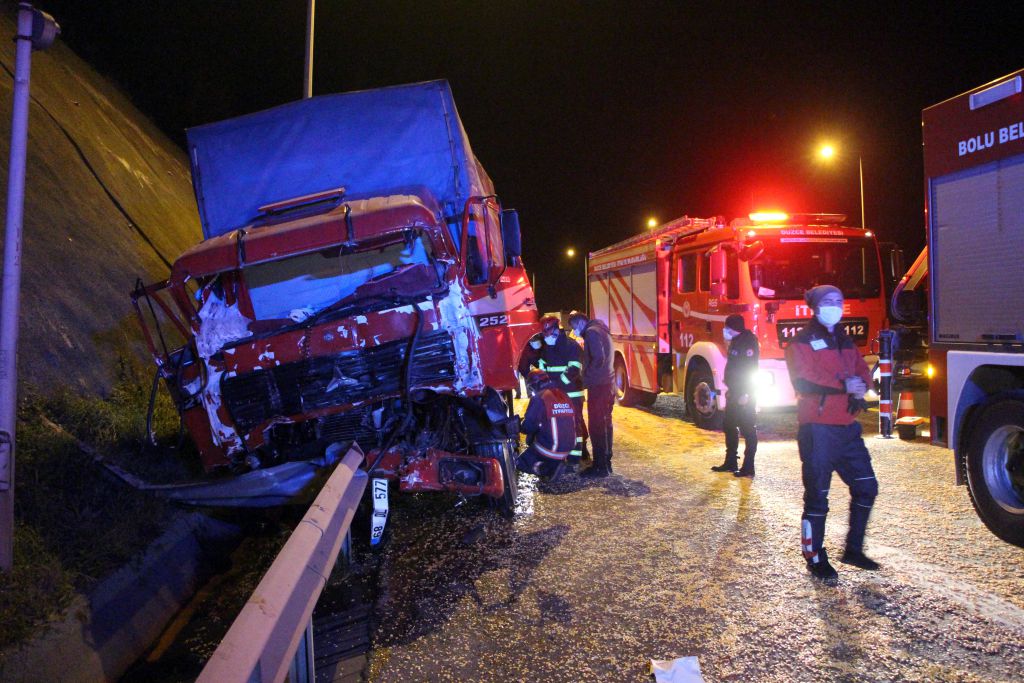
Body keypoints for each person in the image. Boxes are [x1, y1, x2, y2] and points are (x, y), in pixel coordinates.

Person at [786, 284, 880, 583]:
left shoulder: (844, 339)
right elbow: (803, 380)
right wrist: (844, 385)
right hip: (818, 429)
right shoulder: (801, 341)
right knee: (817, 498)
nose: (835, 306)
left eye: (839, 300)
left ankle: (853, 549)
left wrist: (861, 384)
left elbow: (861, 370)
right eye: (828, 301)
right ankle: (814, 558)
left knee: (867, 487)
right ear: (814, 306)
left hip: (847, 429)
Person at [568, 310, 616, 478]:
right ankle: (606, 461)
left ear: (580, 322)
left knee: (596, 426)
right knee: (605, 423)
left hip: (599, 386)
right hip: (608, 384)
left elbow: (598, 358)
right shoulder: (601, 330)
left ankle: (600, 467)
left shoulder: (591, 332)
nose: (574, 332)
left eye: (573, 327)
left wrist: (584, 375)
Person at [711, 314, 759, 477]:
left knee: (748, 428)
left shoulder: (748, 342)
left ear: (734, 328)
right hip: (734, 391)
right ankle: (731, 461)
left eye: (727, 328)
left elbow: (749, 370)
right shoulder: (736, 342)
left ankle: (748, 467)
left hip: (745, 393)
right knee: (729, 425)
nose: (725, 330)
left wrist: (746, 393)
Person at [536, 316, 586, 466]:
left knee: (574, 424)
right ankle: (560, 454)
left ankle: (575, 457)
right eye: (543, 334)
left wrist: (557, 384)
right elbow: (542, 365)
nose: (546, 337)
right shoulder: (547, 348)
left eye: (548, 333)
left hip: (572, 394)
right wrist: (541, 380)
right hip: (555, 395)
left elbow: (574, 369)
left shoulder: (571, 346)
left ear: (556, 330)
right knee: (558, 424)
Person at [517, 370, 578, 480]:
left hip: (552, 448)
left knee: (521, 463)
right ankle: (556, 463)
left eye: (531, 387)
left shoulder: (539, 398)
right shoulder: (563, 394)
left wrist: (519, 425)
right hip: (569, 447)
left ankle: (546, 468)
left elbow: (528, 427)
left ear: (536, 384)